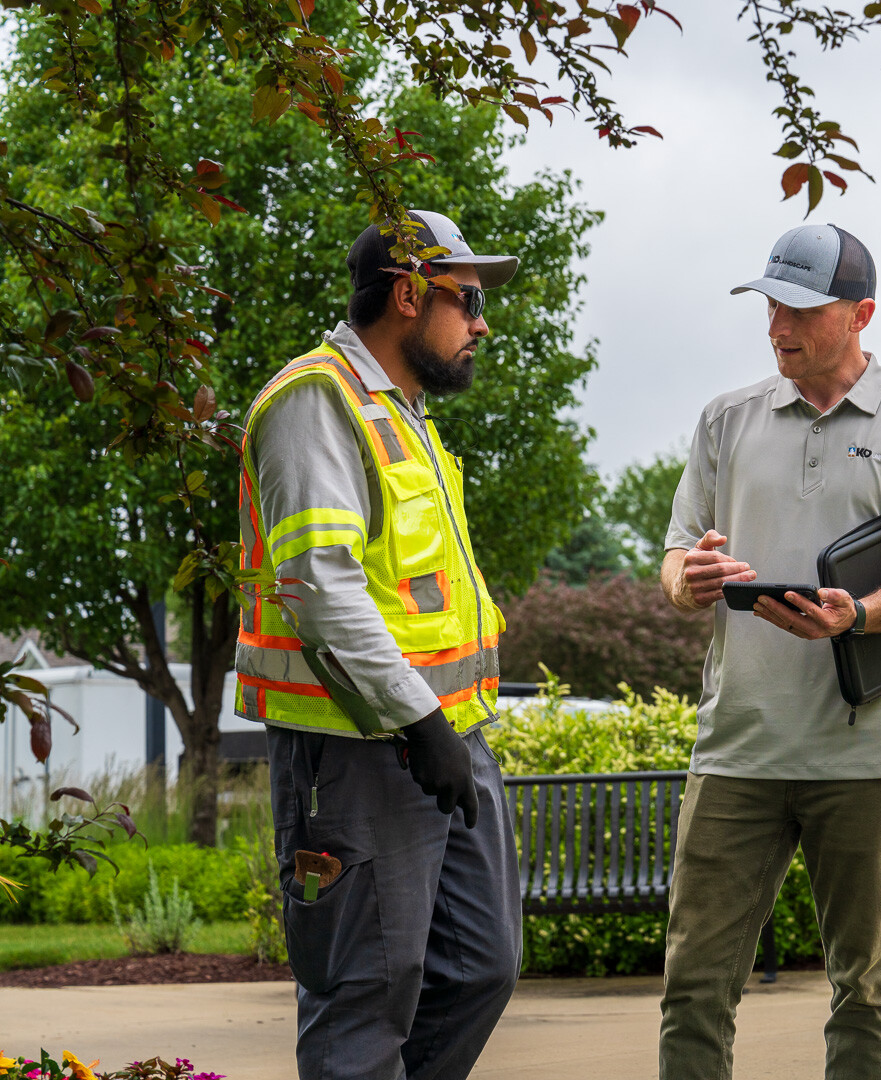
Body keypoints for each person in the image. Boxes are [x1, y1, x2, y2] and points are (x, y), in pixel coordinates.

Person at [658, 223, 881, 1080]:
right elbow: (675, 554)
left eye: (799, 307)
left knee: (865, 988)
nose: (776, 325)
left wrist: (860, 614)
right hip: (737, 749)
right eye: (769, 304)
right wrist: (685, 579)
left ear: (861, 314)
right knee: (693, 986)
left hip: (866, 751)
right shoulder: (724, 419)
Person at [234, 211, 522, 1080]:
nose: (481, 323)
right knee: (364, 999)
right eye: (467, 300)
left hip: (447, 739)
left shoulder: (406, 413)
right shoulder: (314, 402)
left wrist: (442, 729)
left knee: (481, 968)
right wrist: (417, 720)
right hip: (357, 752)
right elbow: (321, 589)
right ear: (407, 295)